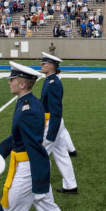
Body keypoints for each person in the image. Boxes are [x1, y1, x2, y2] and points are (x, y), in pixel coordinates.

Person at [0, 62, 85, 211]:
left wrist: (41, 183)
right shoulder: (27, 103)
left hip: (28, 172)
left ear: (23, 84)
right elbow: (17, 138)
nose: (9, 82)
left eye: (13, 79)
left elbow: (35, 149)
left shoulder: (28, 109)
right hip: (29, 168)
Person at [39, 52, 78, 194]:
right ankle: (70, 185)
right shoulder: (49, 80)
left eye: (44, 63)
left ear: (51, 66)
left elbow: (56, 110)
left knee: (40, 153)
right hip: (54, 123)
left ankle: (39, 184)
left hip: (52, 123)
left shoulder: (54, 83)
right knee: (62, 155)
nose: (41, 65)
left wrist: (51, 133)